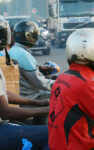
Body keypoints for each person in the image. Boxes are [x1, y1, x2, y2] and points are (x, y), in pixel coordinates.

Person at [0, 16, 49, 150]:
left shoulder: (13, 52)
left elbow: (3, 94)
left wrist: (38, 103)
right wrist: (46, 109)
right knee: (52, 133)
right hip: (2, 129)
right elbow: (6, 112)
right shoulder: (20, 53)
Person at [8, 20, 55, 124]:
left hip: (18, 94)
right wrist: (60, 84)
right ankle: (47, 129)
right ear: (31, 36)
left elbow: (25, 72)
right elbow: (39, 82)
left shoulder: (12, 51)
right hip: (30, 96)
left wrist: (39, 69)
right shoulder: (23, 55)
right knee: (57, 97)